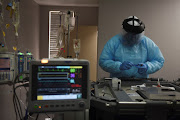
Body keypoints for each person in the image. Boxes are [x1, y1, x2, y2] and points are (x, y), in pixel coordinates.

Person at [99, 16, 165, 78]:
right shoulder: (114, 42)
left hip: (141, 83)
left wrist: (148, 67)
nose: (133, 37)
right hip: (118, 82)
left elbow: (159, 60)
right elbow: (103, 61)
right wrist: (118, 66)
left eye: (136, 35)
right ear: (124, 32)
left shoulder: (147, 43)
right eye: (130, 34)